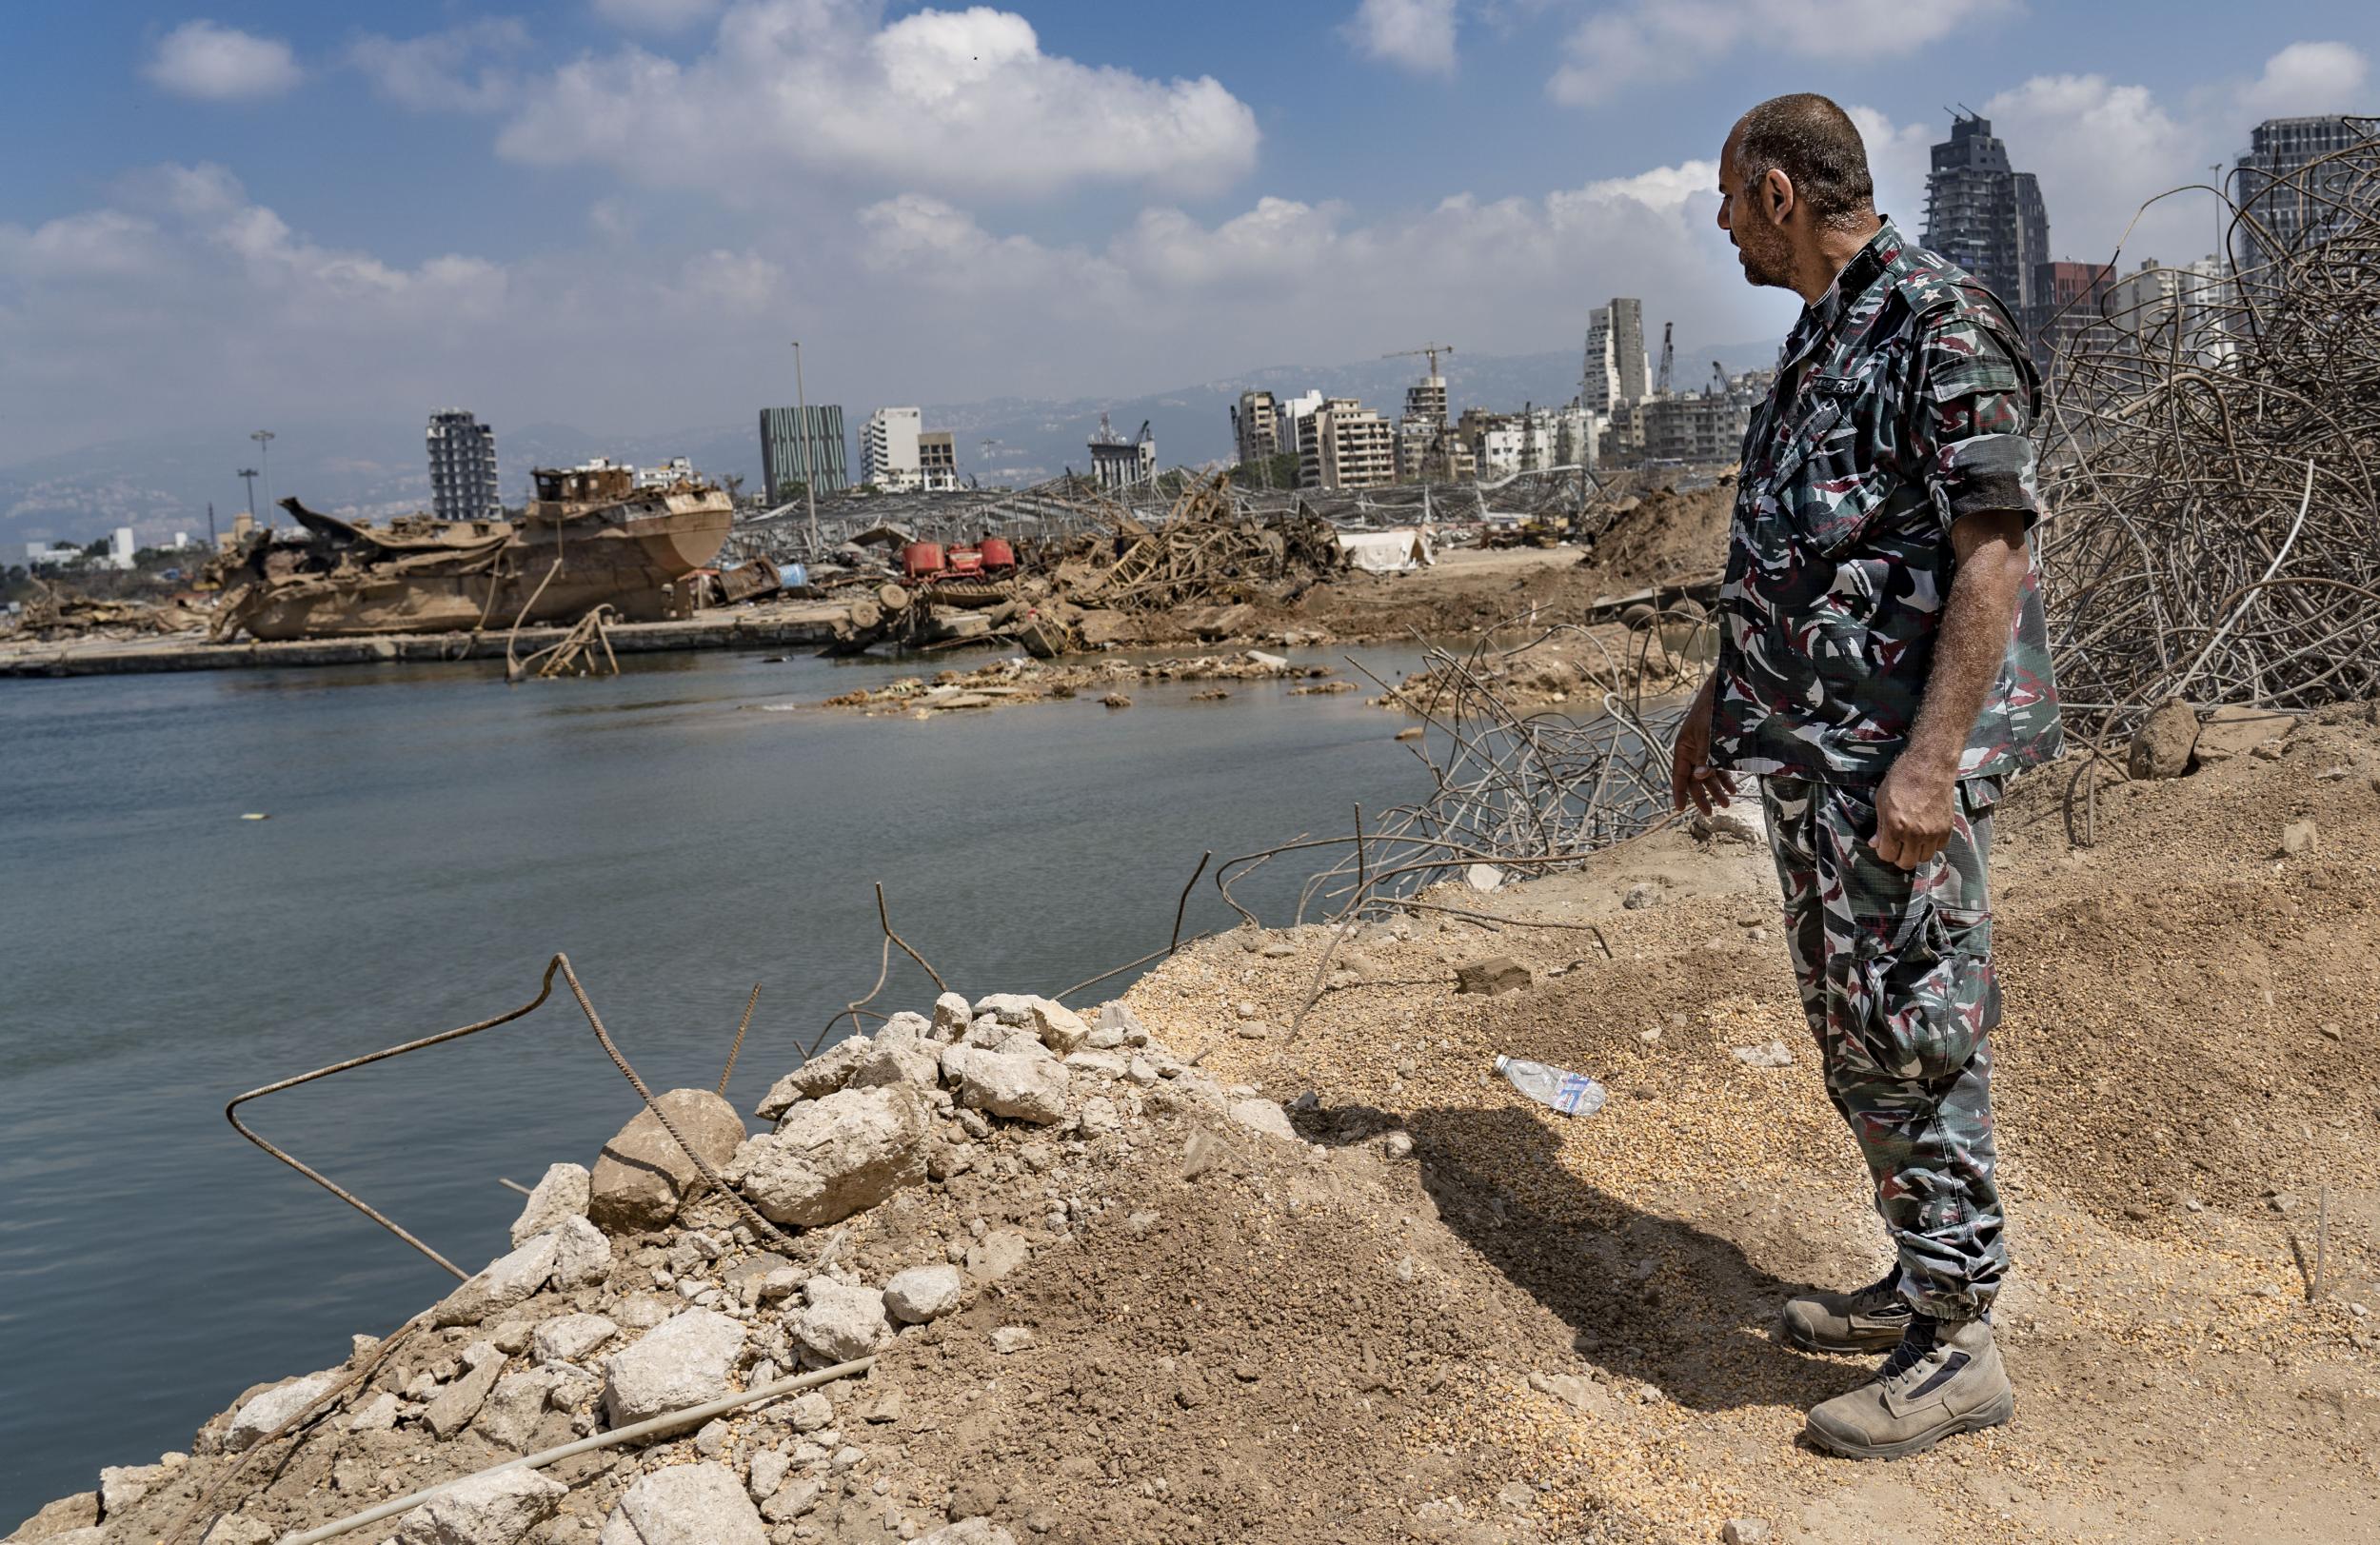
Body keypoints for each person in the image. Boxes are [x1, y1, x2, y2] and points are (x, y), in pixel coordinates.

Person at [1671, 92, 2063, 1459]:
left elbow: (1991, 557)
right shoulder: (1830, 339)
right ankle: (1921, 1281)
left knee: (1913, 1030)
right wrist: (1722, 699)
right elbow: (1797, 556)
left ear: (1779, 191)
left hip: (1893, 775)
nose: (1720, 225)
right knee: (1860, 1037)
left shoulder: (1938, 327)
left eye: (1728, 198)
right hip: (1817, 765)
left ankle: (1961, 1347)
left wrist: (1930, 765)